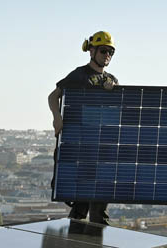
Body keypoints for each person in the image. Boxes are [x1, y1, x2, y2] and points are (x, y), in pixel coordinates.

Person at [48, 31, 118, 226]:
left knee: (99, 209)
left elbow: (116, 113)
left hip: (101, 150)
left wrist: (113, 91)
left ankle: (95, 242)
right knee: (81, 205)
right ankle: (73, 242)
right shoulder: (79, 75)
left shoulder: (112, 80)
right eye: (103, 50)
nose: (107, 55)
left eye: (111, 52)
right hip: (81, 148)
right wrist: (57, 117)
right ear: (91, 51)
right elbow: (53, 96)